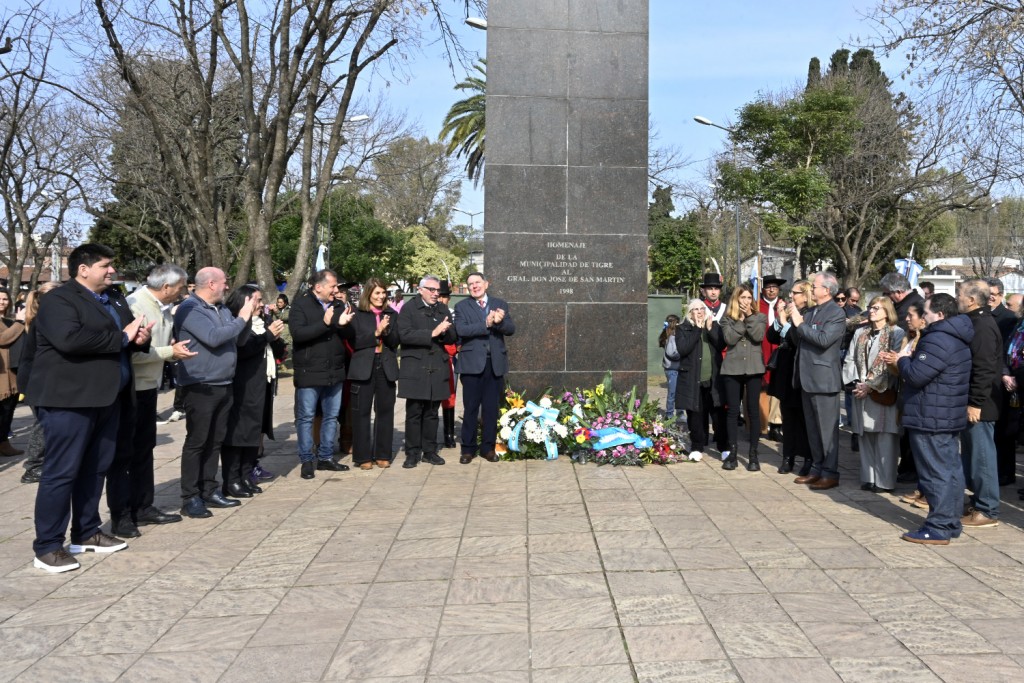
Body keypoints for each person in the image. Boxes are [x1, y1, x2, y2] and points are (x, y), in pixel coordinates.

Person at [26, 243, 153, 573]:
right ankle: (48, 547)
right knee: (61, 473)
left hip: (109, 399)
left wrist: (140, 339)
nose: (112, 271)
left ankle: (86, 532)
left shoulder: (113, 298)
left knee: (95, 469)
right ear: (83, 269)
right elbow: (70, 340)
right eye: (105, 266)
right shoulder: (59, 300)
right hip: (69, 400)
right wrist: (124, 338)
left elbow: (127, 335)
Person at [109, 264, 195, 538]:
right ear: (166, 287)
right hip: (131, 387)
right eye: (180, 287)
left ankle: (143, 506)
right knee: (124, 454)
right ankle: (121, 514)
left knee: (145, 449)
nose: (183, 292)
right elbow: (132, 353)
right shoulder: (135, 305)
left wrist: (170, 349)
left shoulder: (164, 307)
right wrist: (170, 351)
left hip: (149, 388)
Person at [173, 267, 256, 518]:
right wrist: (242, 317)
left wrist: (246, 317)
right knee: (197, 442)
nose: (227, 287)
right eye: (224, 282)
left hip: (223, 383)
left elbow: (237, 340)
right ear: (211, 284)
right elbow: (213, 337)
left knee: (215, 441)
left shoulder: (221, 309)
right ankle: (191, 497)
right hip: (200, 385)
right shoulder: (190, 309)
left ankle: (210, 489)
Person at [891, 293, 973, 544]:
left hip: (931, 416)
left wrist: (903, 359)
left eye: (925, 312)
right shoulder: (956, 335)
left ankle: (938, 526)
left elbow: (916, 375)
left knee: (935, 473)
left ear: (939, 314)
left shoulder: (938, 338)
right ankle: (949, 522)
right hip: (944, 414)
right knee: (949, 471)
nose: (923, 317)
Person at [289, 269, 355, 479]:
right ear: (318, 287)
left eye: (336, 287)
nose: (336, 290)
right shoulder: (301, 305)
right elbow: (298, 334)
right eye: (333, 286)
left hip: (334, 371)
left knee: (331, 416)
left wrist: (344, 325)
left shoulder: (338, 305)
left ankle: (326, 457)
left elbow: (347, 336)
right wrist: (325, 323)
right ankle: (307, 460)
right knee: (306, 417)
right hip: (310, 371)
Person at [221, 284, 284, 497]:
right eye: (257, 300)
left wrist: (276, 340)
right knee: (238, 432)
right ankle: (232, 479)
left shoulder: (261, 321)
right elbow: (244, 348)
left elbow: (272, 349)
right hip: (242, 384)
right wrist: (267, 336)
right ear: (245, 301)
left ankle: (247, 474)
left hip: (261, 383)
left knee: (253, 432)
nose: (261, 305)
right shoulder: (235, 322)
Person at [791, 271, 847, 490]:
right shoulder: (812, 311)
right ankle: (817, 468)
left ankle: (830, 472)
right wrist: (793, 323)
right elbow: (800, 339)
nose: (811, 290)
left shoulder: (836, 313)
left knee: (826, 431)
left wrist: (800, 324)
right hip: (807, 377)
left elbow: (824, 340)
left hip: (824, 380)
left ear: (826, 289)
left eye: (814, 286)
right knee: (813, 429)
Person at [842, 296, 904, 493]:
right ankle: (868, 478)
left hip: (883, 391)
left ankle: (885, 481)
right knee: (865, 435)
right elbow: (850, 358)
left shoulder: (896, 333)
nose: (871, 311)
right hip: (861, 391)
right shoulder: (861, 332)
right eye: (870, 307)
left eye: (876, 308)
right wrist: (856, 382)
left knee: (884, 437)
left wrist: (870, 385)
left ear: (887, 311)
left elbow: (892, 364)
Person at [455, 271, 515, 464]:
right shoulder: (461, 306)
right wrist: (486, 323)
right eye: (470, 283)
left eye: (478, 282)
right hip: (472, 365)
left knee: (491, 410)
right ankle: (468, 449)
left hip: (494, 365)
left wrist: (499, 322)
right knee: (471, 408)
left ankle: (488, 448)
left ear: (486, 284)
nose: (474, 286)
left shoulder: (500, 304)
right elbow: (462, 330)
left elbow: (511, 329)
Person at [398, 275, 457, 468]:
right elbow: (404, 335)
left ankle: (429, 451)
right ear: (420, 290)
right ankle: (412, 452)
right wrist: (432, 333)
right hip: (416, 366)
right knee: (414, 412)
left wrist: (445, 331)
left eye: (437, 290)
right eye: (431, 290)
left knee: (432, 412)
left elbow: (452, 336)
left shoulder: (442, 308)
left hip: (437, 366)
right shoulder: (409, 308)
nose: (435, 293)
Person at [957, 278, 1002, 528]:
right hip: (973, 401)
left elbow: (984, 369)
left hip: (981, 405)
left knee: (982, 457)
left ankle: (987, 509)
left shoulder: (983, 325)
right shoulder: (976, 321)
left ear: (972, 300)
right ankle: (978, 502)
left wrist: (975, 402)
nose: (957, 299)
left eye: (960, 294)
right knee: (973, 457)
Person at [348, 277, 400, 469]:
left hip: (385, 365)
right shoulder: (358, 314)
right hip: (363, 366)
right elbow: (355, 342)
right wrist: (375, 334)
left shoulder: (392, 314)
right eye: (377, 293)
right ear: (368, 294)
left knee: (385, 411)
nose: (381, 296)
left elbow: (395, 342)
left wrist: (386, 332)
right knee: (361, 412)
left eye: (383, 292)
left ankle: (383, 454)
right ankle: (363, 457)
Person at [719, 284, 767, 471]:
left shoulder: (760, 317)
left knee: (753, 411)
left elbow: (757, 336)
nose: (746, 301)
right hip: (732, 369)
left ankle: (753, 455)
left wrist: (748, 318)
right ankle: (732, 453)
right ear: (736, 300)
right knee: (732, 411)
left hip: (754, 369)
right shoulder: (726, 319)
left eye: (749, 298)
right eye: (743, 298)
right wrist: (740, 321)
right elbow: (730, 339)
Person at [768, 279, 813, 475]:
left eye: (795, 293)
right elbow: (771, 337)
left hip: (801, 372)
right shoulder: (788, 311)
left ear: (805, 295)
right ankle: (788, 458)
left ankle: (808, 459)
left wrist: (786, 323)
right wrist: (779, 319)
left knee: (803, 420)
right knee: (788, 418)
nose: (790, 297)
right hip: (786, 372)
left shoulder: (809, 314)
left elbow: (798, 340)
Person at [17, 282, 60, 484]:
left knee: (47, 425)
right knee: (43, 425)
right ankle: (33, 467)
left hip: (41, 380)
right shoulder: (44, 320)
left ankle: (43, 463)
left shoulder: (45, 318)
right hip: (37, 381)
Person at [675, 300, 726, 459]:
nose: (699, 312)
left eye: (701, 308)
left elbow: (721, 345)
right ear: (690, 313)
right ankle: (697, 447)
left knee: (718, 414)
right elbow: (683, 349)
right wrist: (697, 329)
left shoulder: (713, 324)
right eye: (695, 309)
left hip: (713, 380)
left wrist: (710, 330)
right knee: (695, 415)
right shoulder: (683, 328)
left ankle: (724, 447)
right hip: (693, 379)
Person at [986, 277, 1018, 486]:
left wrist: (1005, 373)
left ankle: (1006, 472)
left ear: (1000, 296)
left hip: (1003, 379)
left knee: (1005, 430)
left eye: (994, 295)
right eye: (986, 294)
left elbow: (1007, 351)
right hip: (989, 378)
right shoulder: (982, 315)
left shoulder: (1008, 318)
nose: (989, 298)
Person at [759, 275, 785, 442]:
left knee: (776, 387)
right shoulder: (756, 305)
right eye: (768, 287)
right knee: (761, 388)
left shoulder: (784, 306)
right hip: (760, 350)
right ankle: (760, 424)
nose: (771, 289)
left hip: (778, 351)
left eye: (774, 287)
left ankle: (776, 424)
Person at [0, 288, 26, 456]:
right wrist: (19, 323)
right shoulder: (15, 321)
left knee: (9, 409)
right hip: (1, 373)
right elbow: (2, 339)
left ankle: (3, 443)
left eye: (5, 299)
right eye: (0, 299)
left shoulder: (9, 320)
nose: (3, 302)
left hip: (13, 371)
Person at [437, 280, 459, 448]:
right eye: (440, 296)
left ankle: (449, 434)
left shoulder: (453, 313)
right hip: (432, 357)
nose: (442, 299)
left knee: (450, 397)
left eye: (445, 297)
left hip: (450, 358)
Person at [659, 314, 682, 422]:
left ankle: (677, 413)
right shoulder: (672, 337)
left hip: (672, 369)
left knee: (676, 392)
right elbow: (672, 353)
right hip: (673, 369)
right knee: (673, 392)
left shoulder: (668, 335)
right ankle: (670, 414)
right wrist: (682, 354)